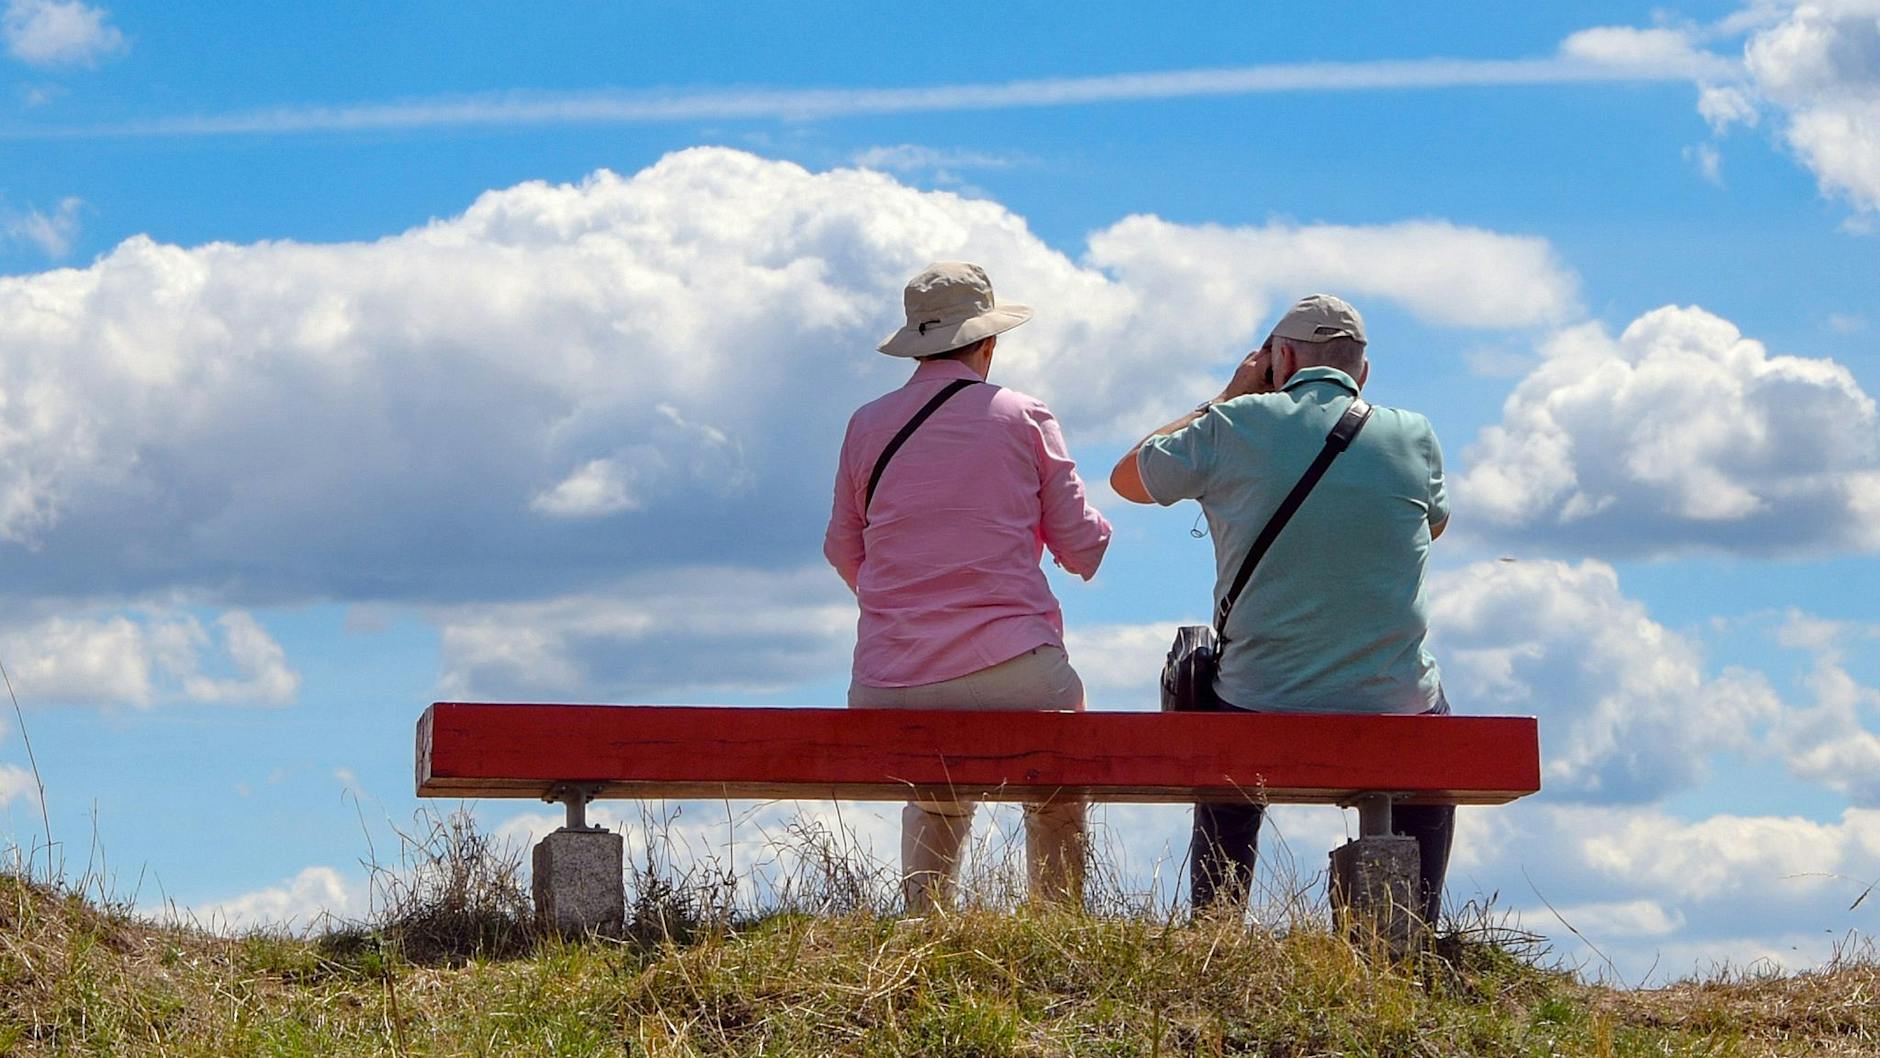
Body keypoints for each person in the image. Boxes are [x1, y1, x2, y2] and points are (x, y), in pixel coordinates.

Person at [1108, 293, 1454, 923]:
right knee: (1433, 735)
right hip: (1393, 700)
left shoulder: (1234, 424)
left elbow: (1128, 477)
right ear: (1362, 371)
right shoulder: (1414, 434)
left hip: (1259, 697)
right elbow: (1433, 526)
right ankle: (1414, 929)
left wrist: (1228, 394)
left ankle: (1217, 924)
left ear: (1281, 360)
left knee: (1222, 724)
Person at [825, 261, 1112, 914]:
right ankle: (1057, 923)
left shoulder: (866, 423)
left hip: (887, 679)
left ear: (917, 344)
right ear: (989, 342)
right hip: (1012, 667)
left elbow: (842, 547)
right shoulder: (1023, 414)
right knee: (1059, 781)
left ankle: (925, 922)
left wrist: (903, 606)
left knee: (938, 791)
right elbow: (1081, 546)